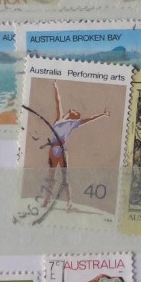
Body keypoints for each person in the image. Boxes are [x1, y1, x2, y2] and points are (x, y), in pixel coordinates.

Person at [41, 81, 109, 211]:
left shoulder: (73, 123)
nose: (72, 110)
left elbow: (89, 119)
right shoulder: (59, 119)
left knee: (64, 177)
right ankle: (46, 200)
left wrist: (102, 114)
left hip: (61, 150)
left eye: (74, 111)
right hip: (52, 150)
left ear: (74, 116)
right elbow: (58, 102)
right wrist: (56, 87)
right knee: (51, 176)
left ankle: (69, 202)